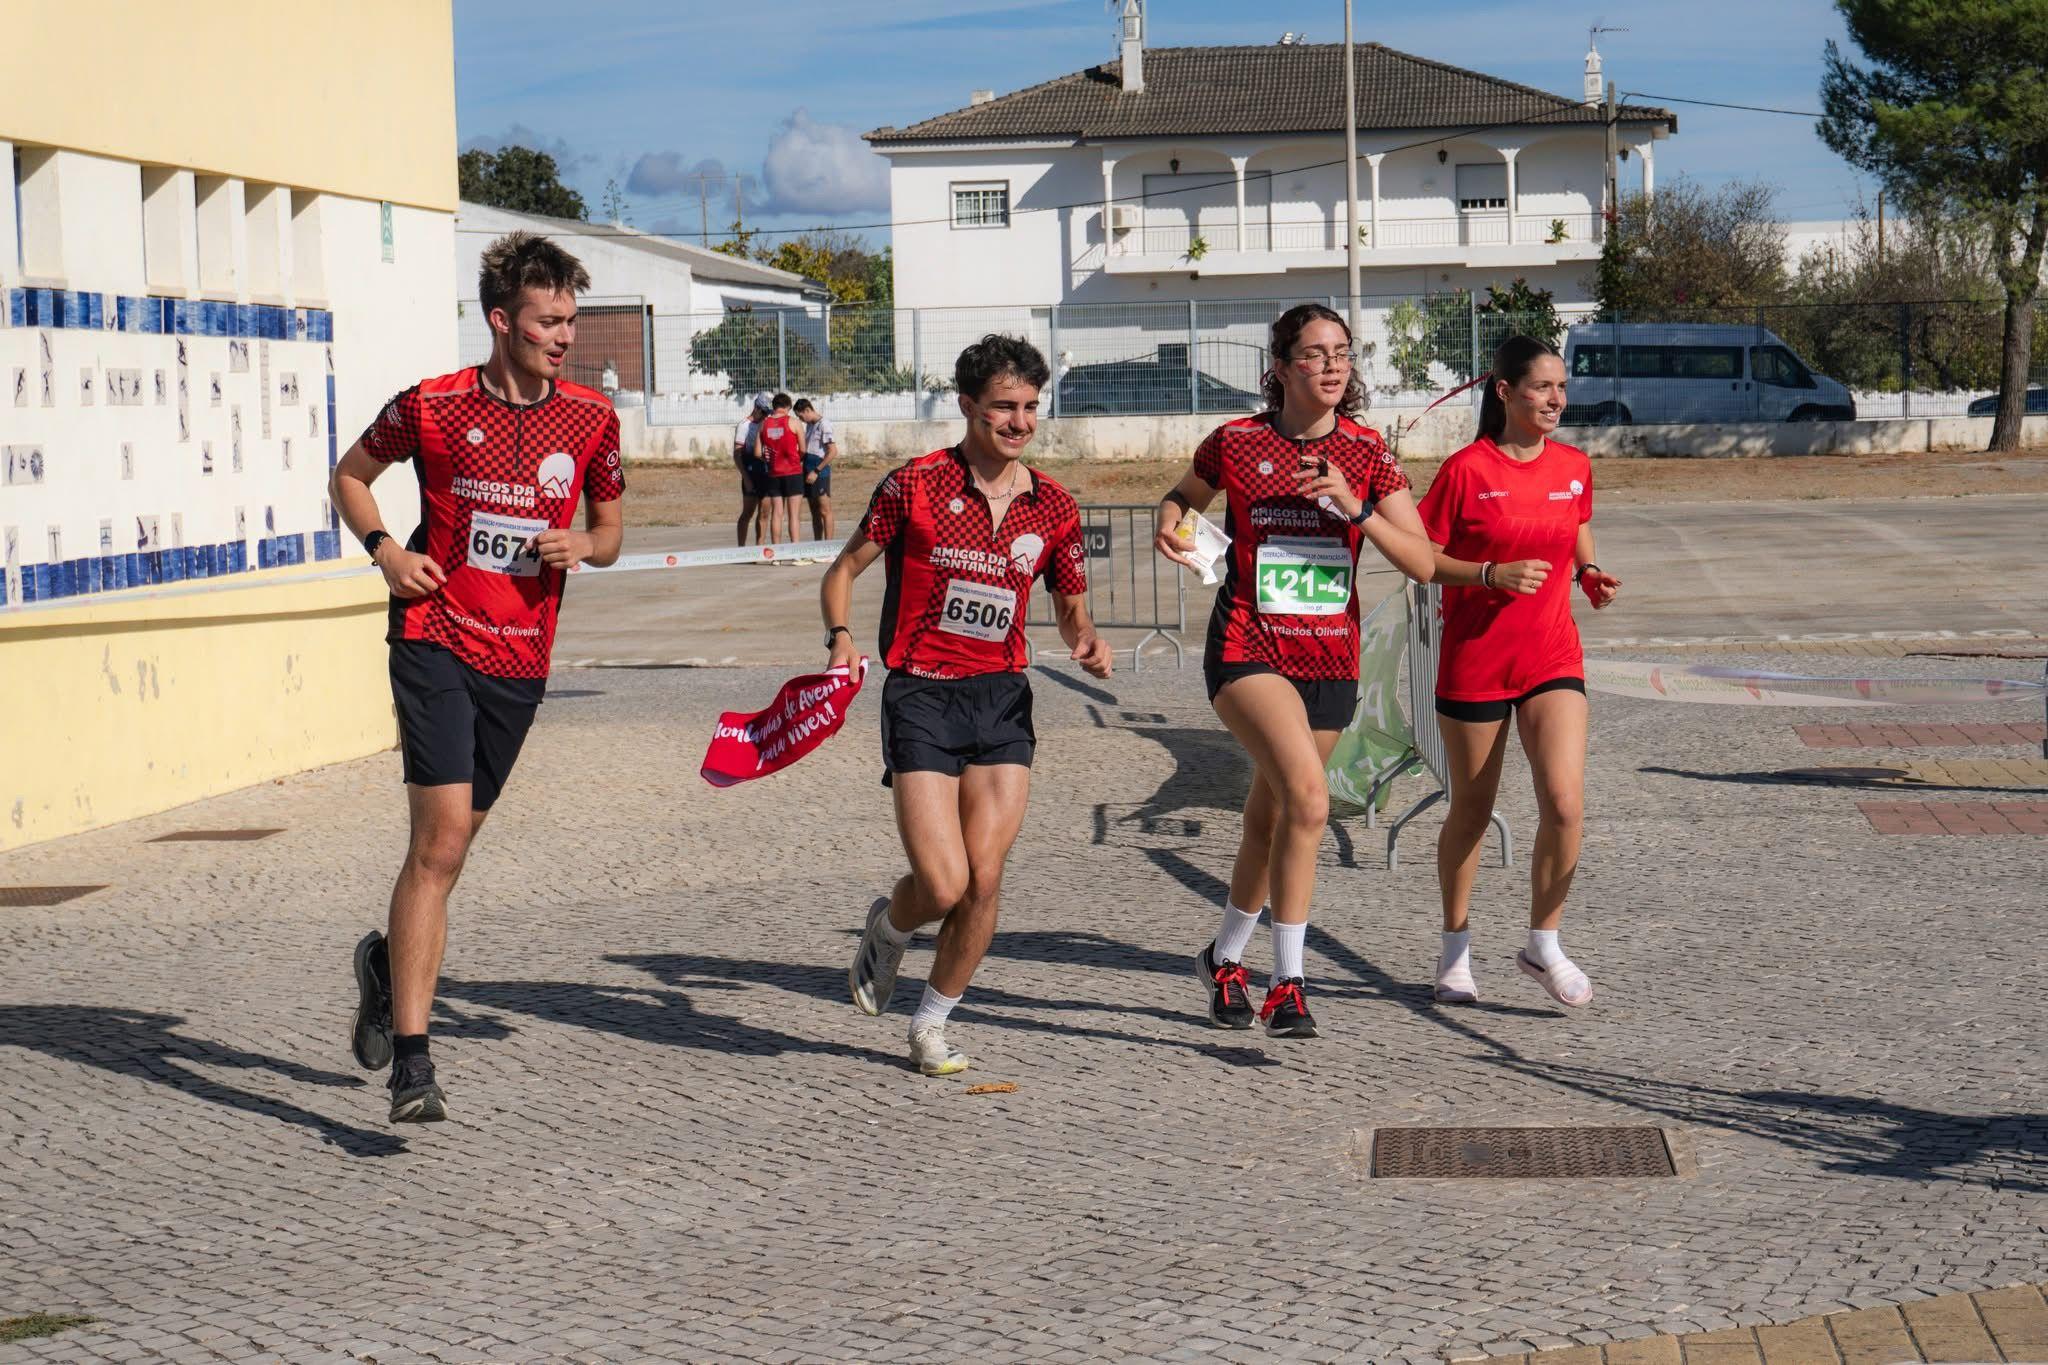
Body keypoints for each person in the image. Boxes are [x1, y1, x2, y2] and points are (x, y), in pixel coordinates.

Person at [330, 231, 625, 1122]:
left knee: (454, 847)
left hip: (521, 656)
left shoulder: (590, 420)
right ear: (503, 320)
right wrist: (385, 550)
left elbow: (610, 533)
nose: (564, 336)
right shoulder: (431, 406)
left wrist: (585, 545)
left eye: (571, 321)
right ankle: (413, 1065)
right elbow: (350, 475)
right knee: (441, 839)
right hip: (432, 633)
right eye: (548, 321)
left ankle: (387, 966)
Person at [824, 334, 1112, 1076]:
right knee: (943, 882)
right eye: (1002, 408)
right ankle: (890, 926)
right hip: (921, 693)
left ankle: (931, 1022)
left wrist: (1086, 639)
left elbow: (1072, 606)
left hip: (1001, 700)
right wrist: (841, 636)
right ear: (966, 406)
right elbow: (843, 569)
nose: (1018, 422)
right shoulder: (913, 486)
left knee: (986, 878)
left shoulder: (1053, 506)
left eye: (1028, 408)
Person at [1153, 303, 1435, 1038]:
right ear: (1279, 369)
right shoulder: (1238, 443)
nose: (1333, 366)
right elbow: (1185, 495)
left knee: (1271, 814)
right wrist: (1168, 517)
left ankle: (1222, 958)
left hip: (1330, 657)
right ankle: (1289, 983)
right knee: (1310, 801)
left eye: (1342, 351)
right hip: (1249, 646)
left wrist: (1357, 506)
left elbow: (1423, 559)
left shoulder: (1368, 453)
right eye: (1314, 354)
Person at [1415, 335, 1621, 1010]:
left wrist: (1587, 570)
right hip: (1474, 662)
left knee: (1564, 802)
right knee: (1472, 812)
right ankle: (1454, 952)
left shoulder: (1573, 465)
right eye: (1542, 386)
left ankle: (1545, 942)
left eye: (1562, 386)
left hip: (1551, 657)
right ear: (1503, 392)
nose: (1557, 398)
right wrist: (1485, 574)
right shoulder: (1465, 471)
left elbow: (1576, 520)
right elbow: (1420, 557)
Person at [751, 392, 806, 546]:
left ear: (773, 406)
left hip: (774, 472)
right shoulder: (794, 422)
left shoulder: (764, 424)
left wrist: (768, 459)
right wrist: (796, 459)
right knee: (794, 515)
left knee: (777, 513)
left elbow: (757, 452)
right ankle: (795, 552)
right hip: (793, 471)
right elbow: (803, 449)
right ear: (787, 407)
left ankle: (776, 554)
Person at [794, 397, 837, 541]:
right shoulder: (810, 426)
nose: (801, 420)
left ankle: (828, 547)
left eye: (801, 416)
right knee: (814, 512)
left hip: (819, 473)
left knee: (825, 510)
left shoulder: (825, 424)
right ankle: (818, 546)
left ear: (807, 410)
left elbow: (832, 452)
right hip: (807, 469)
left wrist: (817, 471)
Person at [733, 392, 772, 547]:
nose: (765, 415)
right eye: (763, 411)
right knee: (747, 513)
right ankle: (741, 549)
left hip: (766, 473)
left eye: (767, 413)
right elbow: (737, 455)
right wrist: (746, 478)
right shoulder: (744, 426)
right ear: (756, 408)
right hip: (750, 473)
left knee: (764, 512)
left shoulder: (767, 423)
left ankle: (759, 547)